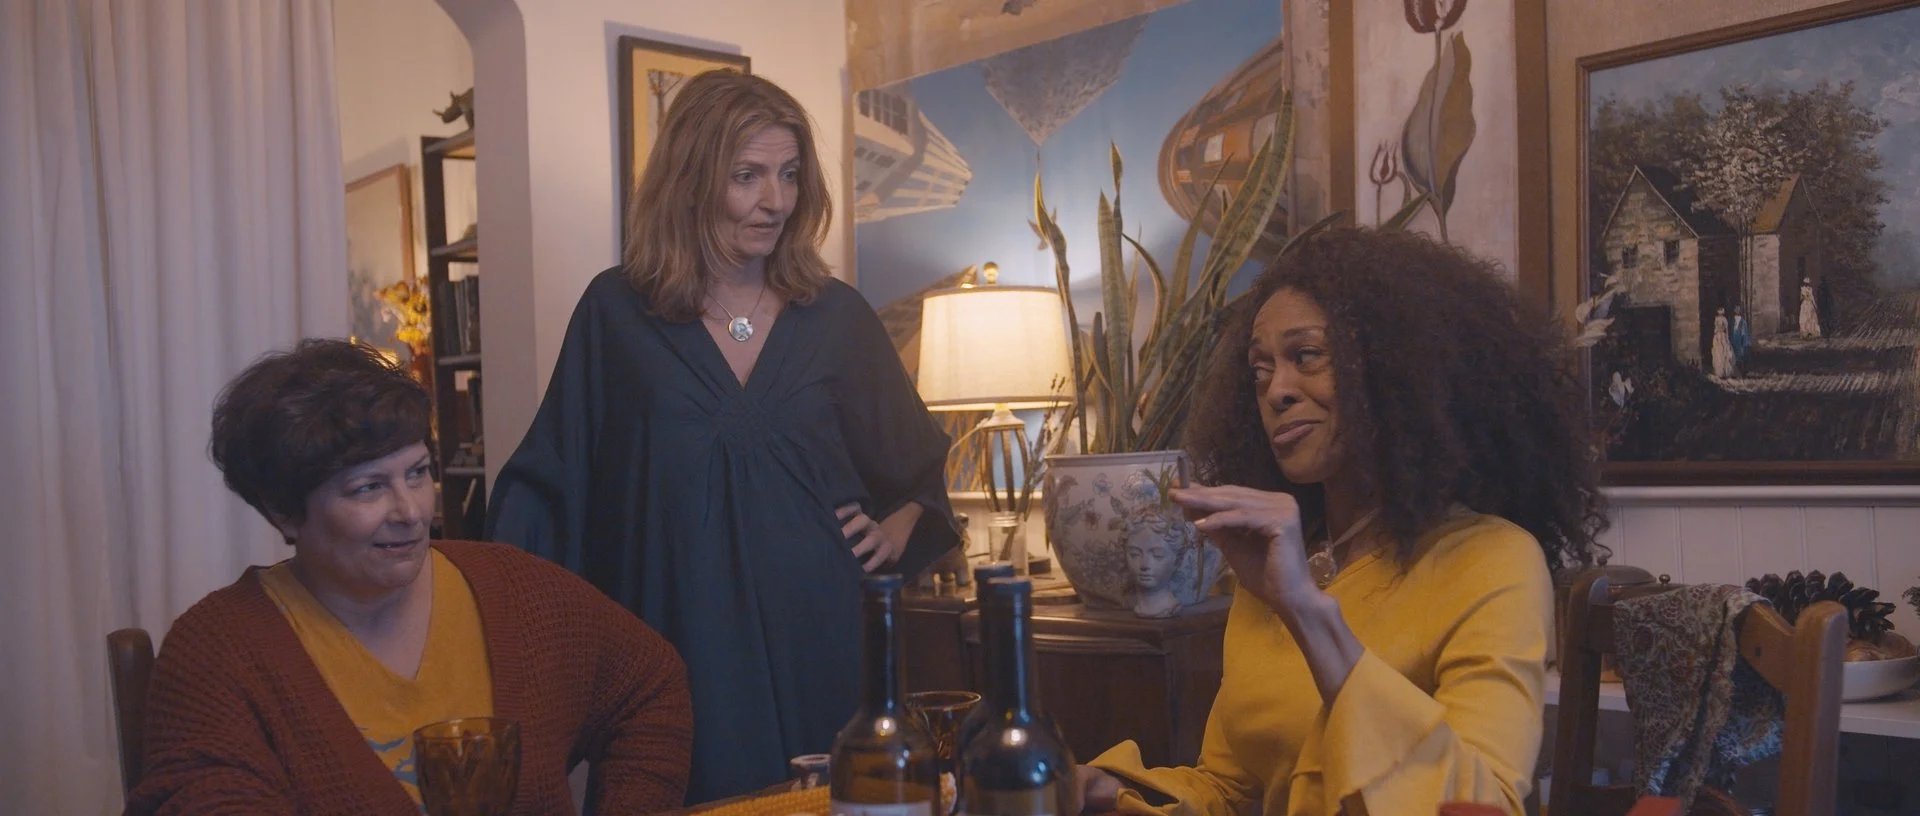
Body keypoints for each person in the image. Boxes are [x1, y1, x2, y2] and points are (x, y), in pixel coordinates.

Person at [485, 70, 960, 803]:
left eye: (789, 175)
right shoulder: (617, 313)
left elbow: (919, 470)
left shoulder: (836, 316)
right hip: (678, 641)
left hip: (826, 634)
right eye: (747, 176)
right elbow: (551, 485)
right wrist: (466, 597)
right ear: (692, 178)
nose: (775, 201)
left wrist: (899, 526)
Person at [1074, 227, 1607, 816]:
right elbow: (1228, 790)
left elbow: (1480, 803)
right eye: (1260, 370)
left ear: (1392, 370)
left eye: (1307, 357)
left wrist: (1305, 611)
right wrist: (1111, 795)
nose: (1277, 390)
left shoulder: (1492, 562)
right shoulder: (1273, 565)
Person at [127, 339, 693, 815]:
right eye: (368, 487)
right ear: (283, 511)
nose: (411, 510)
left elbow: (648, 685)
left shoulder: (515, 590)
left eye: (418, 473)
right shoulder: (219, 652)